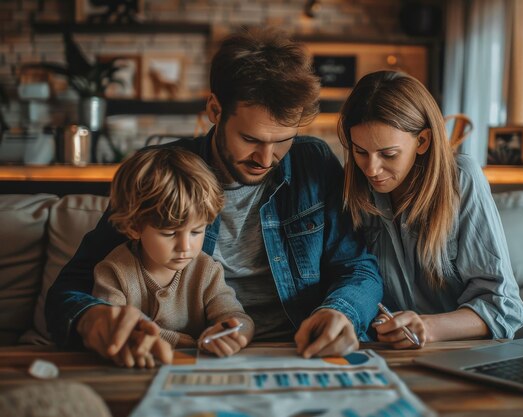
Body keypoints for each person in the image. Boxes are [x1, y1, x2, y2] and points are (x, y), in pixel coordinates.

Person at [45, 29, 383, 366]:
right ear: (215, 109)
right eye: (251, 138)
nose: (265, 159)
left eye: (282, 140)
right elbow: (68, 291)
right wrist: (94, 320)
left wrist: (341, 312)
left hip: (301, 351)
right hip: (197, 355)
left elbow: (358, 268)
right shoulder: (163, 175)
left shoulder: (314, 162)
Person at [338, 70, 523, 349]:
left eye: (388, 154)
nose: (371, 169)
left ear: (423, 141)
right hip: (384, 353)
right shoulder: (352, 186)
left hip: (458, 352)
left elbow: (505, 308)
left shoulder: (461, 179)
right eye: (360, 151)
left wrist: (427, 327)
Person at [92, 148, 253, 364]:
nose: (185, 246)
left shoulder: (206, 270)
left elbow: (238, 318)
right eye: (169, 233)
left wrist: (233, 333)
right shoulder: (114, 271)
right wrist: (186, 341)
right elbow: (117, 328)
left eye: (196, 231)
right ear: (134, 228)